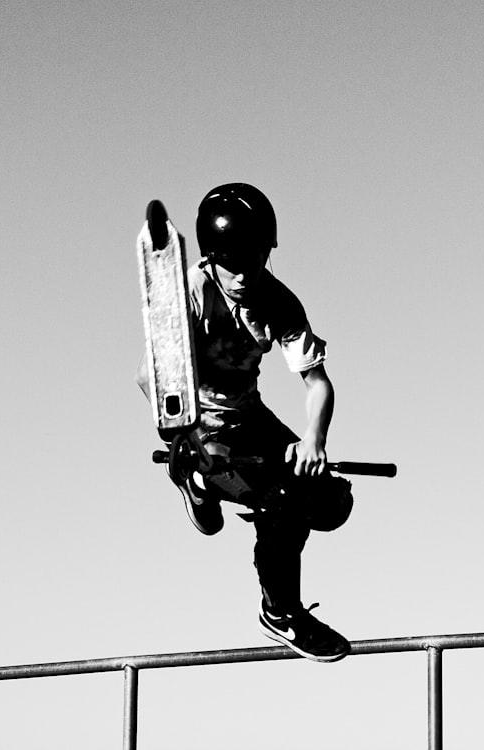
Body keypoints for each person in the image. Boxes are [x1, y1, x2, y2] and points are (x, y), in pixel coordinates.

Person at [137, 183, 354, 663]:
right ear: (211, 259)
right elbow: (147, 377)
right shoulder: (190, 294)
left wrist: (314, 442)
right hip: (200, 427)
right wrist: (187, 438)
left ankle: (200, 481)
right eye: (227, 264)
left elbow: (318, 384)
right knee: (282, 502)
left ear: (266, 254)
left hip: (248, 418)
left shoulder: (280, 303)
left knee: (331, 503)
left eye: (251, 262)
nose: (239, 276)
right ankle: (281, 612)